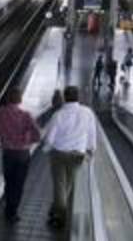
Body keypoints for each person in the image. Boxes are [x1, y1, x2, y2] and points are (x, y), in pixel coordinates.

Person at [42, 86, 98, 228]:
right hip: (78, 155)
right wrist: (91, 149)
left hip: (59, 154)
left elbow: (50, 137)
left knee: (59, 185)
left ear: (65, 97)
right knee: (69, 184)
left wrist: (46, 149)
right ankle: (57, 210)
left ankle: (60, 215)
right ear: (78, 97)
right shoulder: (87, 113)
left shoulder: (58, 115)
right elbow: (92, 132)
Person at [0, 88, 42, 222]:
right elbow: (37, 134)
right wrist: (28, 141)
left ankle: (8, 207)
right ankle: (13, 212)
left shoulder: (1, 112)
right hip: (23, 154)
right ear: (20, 99)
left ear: (7, 99)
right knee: (19, 183)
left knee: (9, 181)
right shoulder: (26, 115)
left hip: (8, 153)